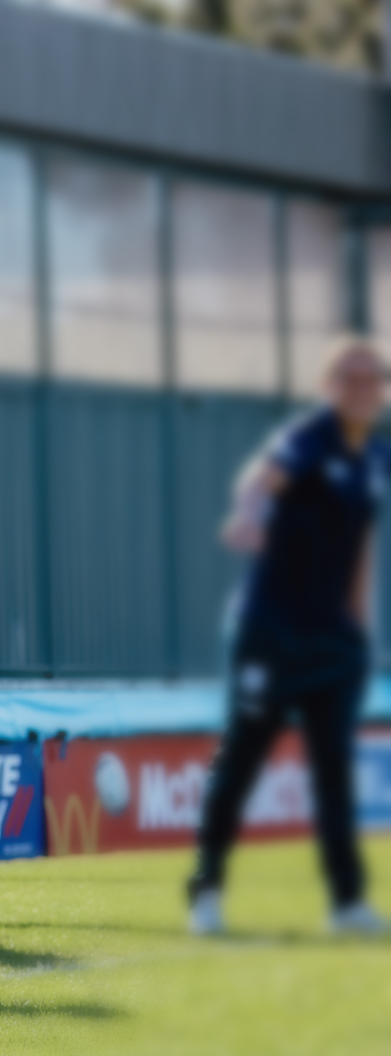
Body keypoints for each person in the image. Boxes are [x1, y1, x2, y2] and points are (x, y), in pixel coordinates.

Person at [190, 340, 390, 936]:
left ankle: (348, 902)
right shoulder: (310, 439)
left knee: (333, 769)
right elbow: (261, 481)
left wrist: (360, 628)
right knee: (243, 759)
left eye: (372, 379)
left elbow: (359, 546)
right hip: (271, 636)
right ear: (331, 387)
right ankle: (207, 890)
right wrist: (249, 515)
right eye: (349, 378)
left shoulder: (374, 459)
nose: (361, 389)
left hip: (336, 646)